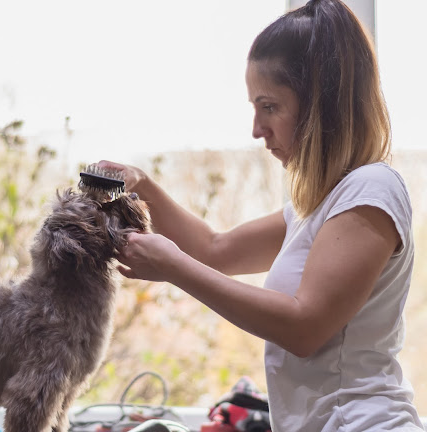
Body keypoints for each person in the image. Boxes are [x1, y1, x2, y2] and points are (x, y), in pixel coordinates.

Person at [96, 0, 424, 431]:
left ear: (321, 106)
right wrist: (143, 185)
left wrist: (173, 268)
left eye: (269, 107)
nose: (256, 129)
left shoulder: (372, 190)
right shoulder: (319, 208)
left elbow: (304, 328)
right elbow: (215, 249)